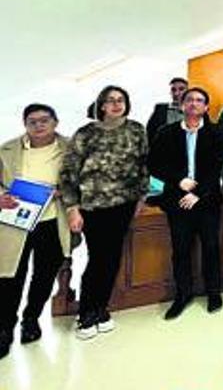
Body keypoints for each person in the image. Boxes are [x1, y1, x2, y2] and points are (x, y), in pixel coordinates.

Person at [60, 86, 149, 339]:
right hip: (93, 206)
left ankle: (101, 309)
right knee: (97, 257)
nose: (116, 104)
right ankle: (85, 312)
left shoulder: (136, 130)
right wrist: (72, 208)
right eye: (110, 101)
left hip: (124, 204)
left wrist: (141, 196)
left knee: (112, 258)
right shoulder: (86, 133)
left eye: (121, 100)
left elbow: (143, 165)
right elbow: (68, 173)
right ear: (101, 105)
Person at [148, 87, 223, 319]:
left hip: (207, 201)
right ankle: (183, 294)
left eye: (199, 100)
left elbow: (217, 166)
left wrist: (198, 192)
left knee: (211, 248)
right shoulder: (166, 132)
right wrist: (178, 180)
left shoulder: (217, 133)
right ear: (182, 105)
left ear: (206, 107)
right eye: (189, 100)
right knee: (181, 250)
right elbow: (153, 163)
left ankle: (214, 292)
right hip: (177, 201)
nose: (194, 103)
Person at [0, 104, 70, 359]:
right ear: (25, 125)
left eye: (44, 120)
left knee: (44, 275)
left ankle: (31, 319)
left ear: (55, 122)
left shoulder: (71, 148)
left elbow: (83, 180)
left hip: (52, 220)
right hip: (16, 221)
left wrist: (66, 192)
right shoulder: (7, 149)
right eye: (32, 122)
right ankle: (4, 329)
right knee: (9, 278)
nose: (39, 126)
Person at [146, 77, 188, 143]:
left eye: (181, 89)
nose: (176, 93)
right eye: (173, 90)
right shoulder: (160, 109)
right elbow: (150, 133)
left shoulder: (195, 111)